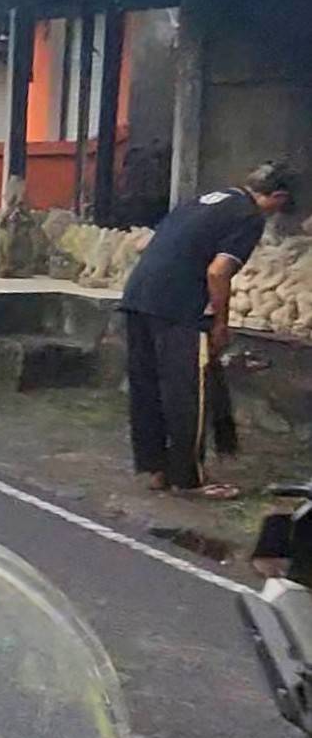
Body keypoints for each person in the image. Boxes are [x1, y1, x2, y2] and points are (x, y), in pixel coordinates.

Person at [121, 162, 296, 497]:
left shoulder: (203, 201)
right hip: (179, 304)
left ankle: (157, 469)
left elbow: (148, 244)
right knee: (187, 391)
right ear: (277, 197)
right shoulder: (248, 216)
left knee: (147, 387)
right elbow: (218, 271)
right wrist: (220, 322)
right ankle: (189, 478)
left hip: (138, 295)